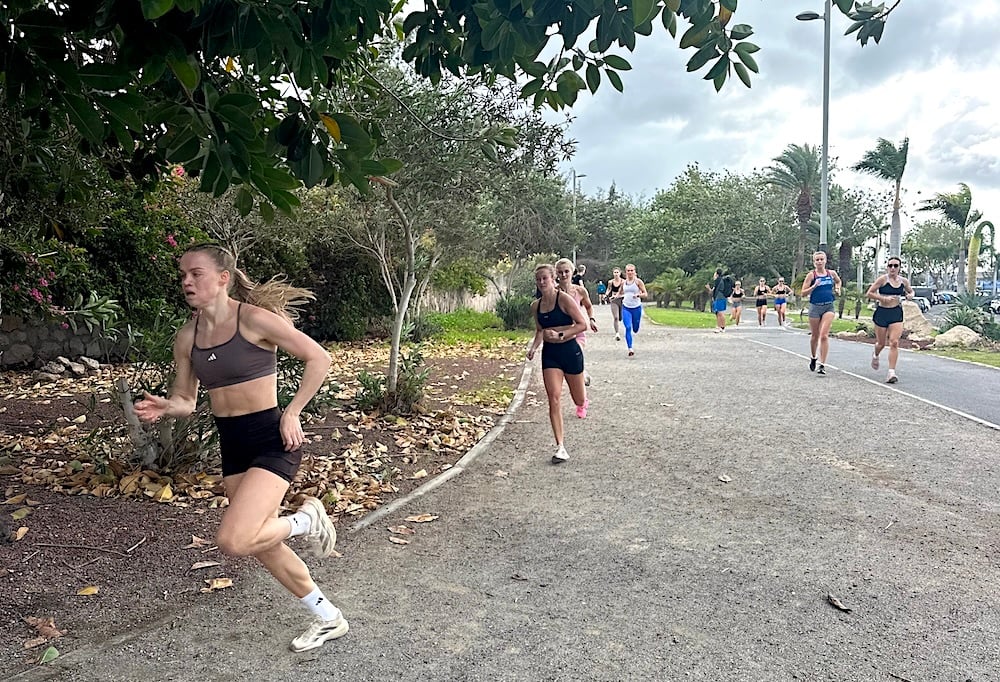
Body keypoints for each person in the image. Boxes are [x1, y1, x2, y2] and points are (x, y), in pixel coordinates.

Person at [133, 244, 346, 653]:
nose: (187, 281)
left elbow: (318, 357)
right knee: (261, 544)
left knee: (233, 540)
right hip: (233, 445)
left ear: (223, 278)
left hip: (272, 438)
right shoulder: (187, 338)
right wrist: (166, 406)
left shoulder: (254, 320)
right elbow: (187, 400)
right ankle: (327, 617)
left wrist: (293, 412)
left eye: (195, 273)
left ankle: (306, 520)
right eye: (183, 275)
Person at [526, 263, 589, 463]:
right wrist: (534, 347)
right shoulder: (535, 306)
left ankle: (583, 398)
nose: (542, 282)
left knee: (578, 399)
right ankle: (560, 447)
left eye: (545, 278)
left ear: (553, 279)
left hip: (570, 351)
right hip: (551, 354)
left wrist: (561, 334)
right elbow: (539, 330)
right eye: (538, 279)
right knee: (553, 397)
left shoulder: (564, 300)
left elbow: (582, 324)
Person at [866, 256, 914, 383]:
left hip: (896, 313)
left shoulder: (903, 281)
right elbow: (869, 293)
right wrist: (882, 299)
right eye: (890, 265)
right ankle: (876, 355)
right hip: (882, 313)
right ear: (887, 267)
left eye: (895, 266)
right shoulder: (882, 279)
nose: (892, 268)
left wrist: (910, 295)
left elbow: (911, 291)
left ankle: (891, 372)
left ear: (899, 268)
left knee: (894, 342)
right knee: (881, 343)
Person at [555, 257, 599, 390]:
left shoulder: (580, 291)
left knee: (576, 352)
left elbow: (589, 306)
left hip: (578, 330)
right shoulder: (553, 292)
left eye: (566, 272)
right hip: (561, 332)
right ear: (556, 274)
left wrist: (591, 319)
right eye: (560, 272)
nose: (564, 275)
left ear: (572, 272)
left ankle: (583, 373)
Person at [800, 250, 842, 375]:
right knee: (815, 336)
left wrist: (838, 288)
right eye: (817, 260)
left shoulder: (831, 273)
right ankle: (813, 357)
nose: (819, 262)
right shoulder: (811, 275)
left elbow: (838, 281)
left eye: (821, 259)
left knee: (824, 335)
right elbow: (803, 292)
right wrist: (814, 287)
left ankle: (822, 364)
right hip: (815, 307)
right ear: (814, 262)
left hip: (828, 307)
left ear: (825, 260)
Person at [619, 264, 647, 356]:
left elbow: (645, 294)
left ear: (634, 271)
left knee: (635, 328)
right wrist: (614, 297)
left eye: (632, 270)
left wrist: (638, 295)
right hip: (626, 307)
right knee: (628, 327)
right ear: (626, 272)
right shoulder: (623, 283)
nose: (630, 272)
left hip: (636, 308)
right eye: (628, 271)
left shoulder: (638, 282)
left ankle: (636, 327)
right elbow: (620, 293)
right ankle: (630, 348)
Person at [706, 268, 732, 333]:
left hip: (719, 297)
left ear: (716, 274)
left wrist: (709, 288)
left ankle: (722, 327)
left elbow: (713, 291)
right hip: (722, 297)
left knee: (720, 312)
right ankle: (720, 326)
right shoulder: (721, 280)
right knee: (718, 312)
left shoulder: (718, 280)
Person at [607, 267, 625, 341]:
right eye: (615, 272)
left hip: (622, 299)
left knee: (622, 317)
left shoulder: (623, 282)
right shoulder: (610, 282)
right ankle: (617, 333)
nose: (616, 274)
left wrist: (617, 295)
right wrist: (606, 294)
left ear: (620, 273)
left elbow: (620, 291)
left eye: (617, 272)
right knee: (616, 317)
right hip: (614, 300)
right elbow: (609, 289)